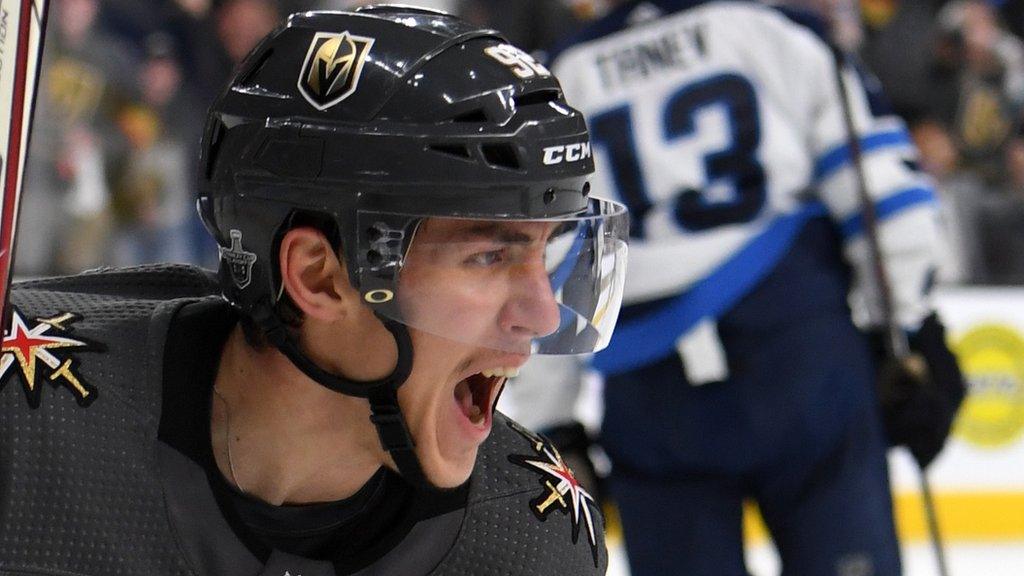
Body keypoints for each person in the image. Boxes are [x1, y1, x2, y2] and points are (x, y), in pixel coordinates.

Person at [0, 7, 630, 575]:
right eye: (489, 255)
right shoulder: (22, 417)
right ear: (317, 277)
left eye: (544, 252)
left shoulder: (533, 538)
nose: (543, 314)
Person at [501, 1, 966, 575]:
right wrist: (913, 332)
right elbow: (882, 196)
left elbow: (550, 268)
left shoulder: (561, 78)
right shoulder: (772, 31)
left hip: (652, 397)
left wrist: (554, 424)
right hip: (800, 359)